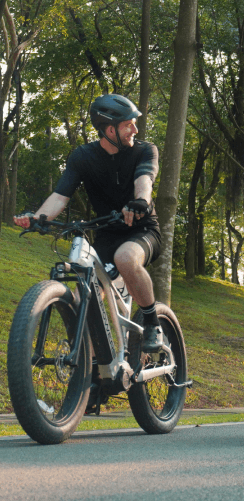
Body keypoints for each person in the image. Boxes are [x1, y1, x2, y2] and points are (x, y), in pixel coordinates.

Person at [14, 94, 163, 355]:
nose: (135, 129)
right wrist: (39, 218)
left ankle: (152, 322)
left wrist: (140, 201)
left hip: (143, 230)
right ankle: (89, 364)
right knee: (82, 296)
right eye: (129, 124)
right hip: (106, 236)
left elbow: (145, 180)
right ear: (110, 129)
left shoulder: (144, 150)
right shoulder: (83, 157)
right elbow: (60, 195)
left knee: (125, 258)